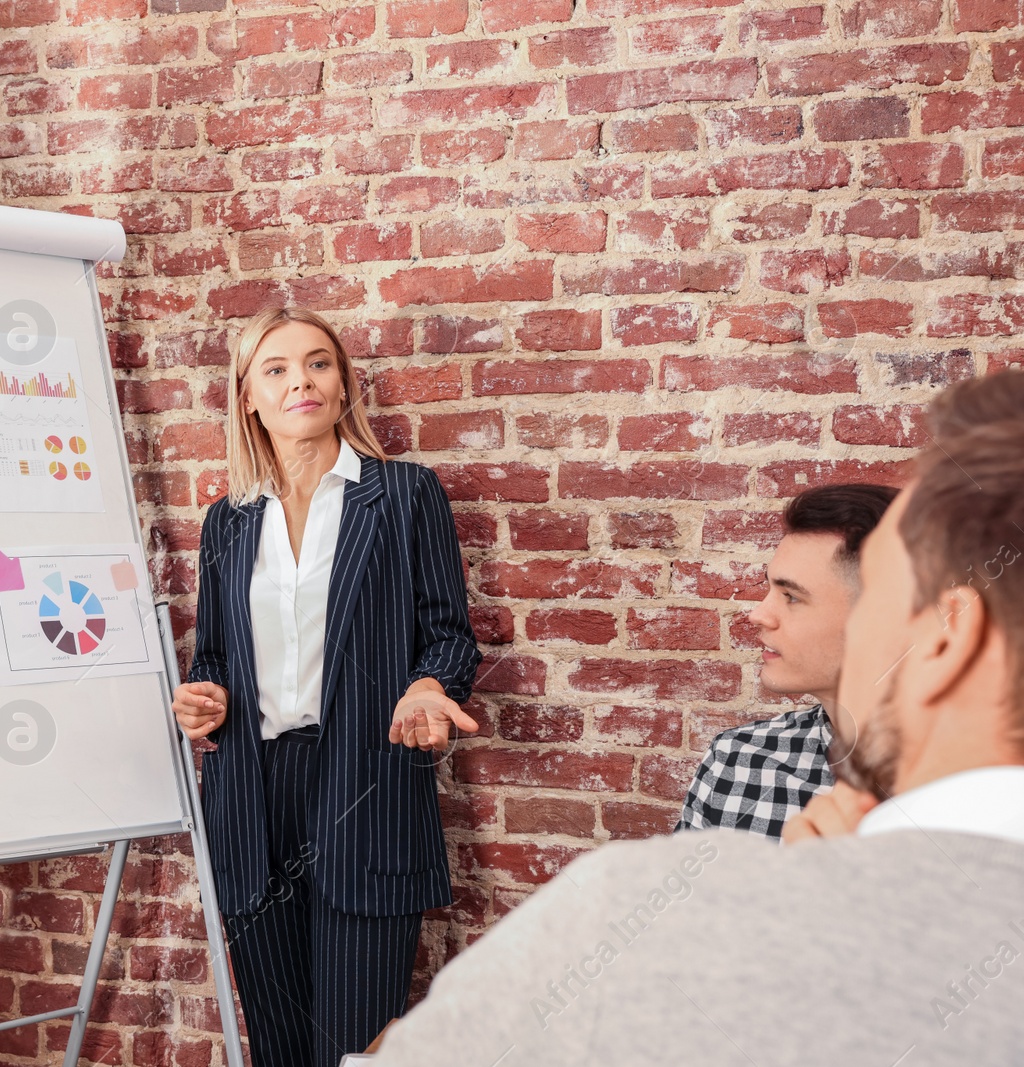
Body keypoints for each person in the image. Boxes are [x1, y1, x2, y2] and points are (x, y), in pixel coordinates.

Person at [370, 372, 1024, 1065]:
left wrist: (786, 909)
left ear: (948, 637)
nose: (761, 613)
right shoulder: (742, 775)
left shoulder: (629, 908)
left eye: (886, 609)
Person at [170, 307, 482, 1067]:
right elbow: (216, 654)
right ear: (248, 397)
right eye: (275, 369)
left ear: (342, 384)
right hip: (250, 795)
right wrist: (203, 696)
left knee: (358, 1048)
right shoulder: (228, 523)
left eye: (318, 363)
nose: (299, 381)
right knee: (278, 1048)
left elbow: (449, 633)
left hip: (363, 786)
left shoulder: (405, 496)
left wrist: (427, 685)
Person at [678, 483, 896, 838]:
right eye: (770, 591)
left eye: (791, 597)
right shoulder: (739, 761)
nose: (758, 614)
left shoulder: (984, 785)